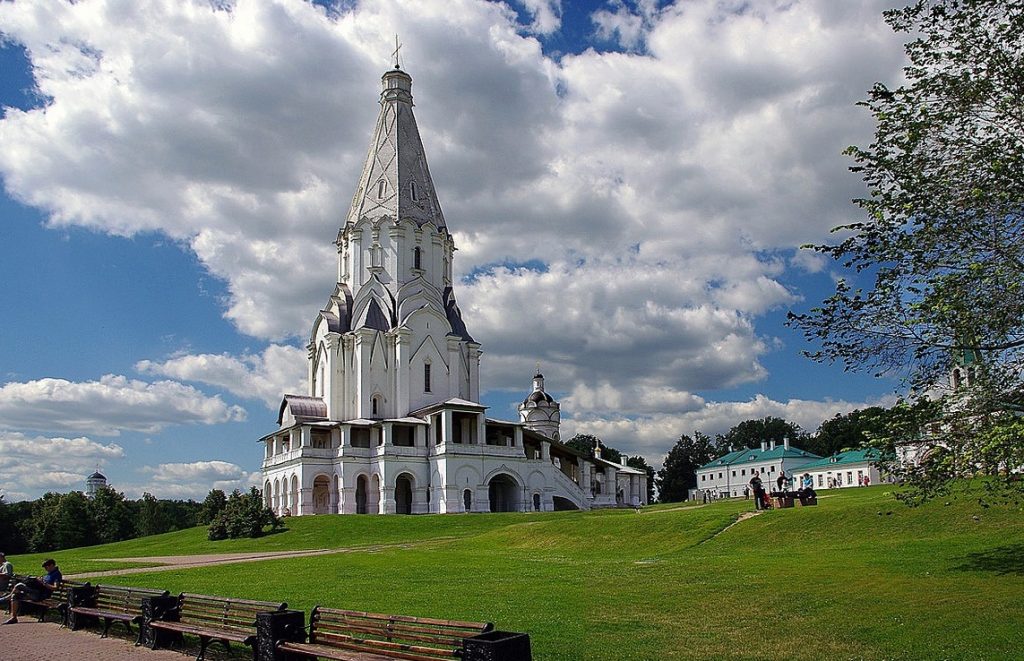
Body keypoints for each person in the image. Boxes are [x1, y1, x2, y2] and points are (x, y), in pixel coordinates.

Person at [2, 558, 62, 624]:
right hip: (35, 592)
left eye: (46, 567)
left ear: (52, 565)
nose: (45, 568)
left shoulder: (56, 574)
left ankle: (6, 598)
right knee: (15, 596)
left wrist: (43, 583)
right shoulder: (49, 574)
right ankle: (13, 618)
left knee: (19, 585)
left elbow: (55, 588)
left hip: (41, 595)